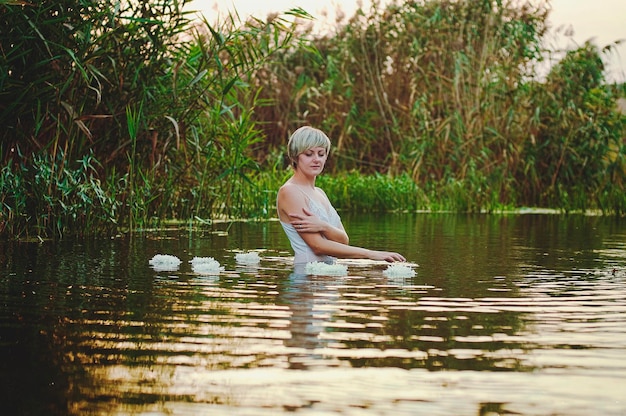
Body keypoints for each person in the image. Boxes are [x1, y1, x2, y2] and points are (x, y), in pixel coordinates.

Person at [276, 126, 406, 266]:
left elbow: (343, 240)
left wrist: (323, 226)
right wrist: (371, 254)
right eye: (309, 154)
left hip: (328, 275)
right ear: (295, 156)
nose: (316, 159)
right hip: (306, 275)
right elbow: (317, 246)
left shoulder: (320, 193)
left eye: (321, 154)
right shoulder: (290, 192)